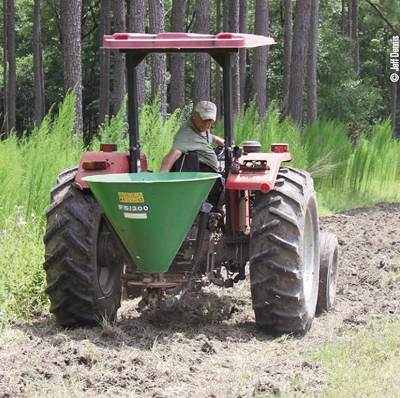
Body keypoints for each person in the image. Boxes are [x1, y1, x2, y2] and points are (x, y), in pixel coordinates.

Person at [160, 101, 224, 172]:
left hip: (211, 174)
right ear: (195, 115)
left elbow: (201, 138)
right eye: (204, 120)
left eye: (210, 121)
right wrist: (162, 178)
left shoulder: (200, 128)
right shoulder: (186, 133)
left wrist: (216, 139)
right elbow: (172, 156)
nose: (207, 125)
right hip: (201, 177)